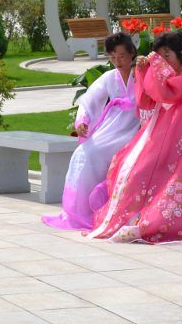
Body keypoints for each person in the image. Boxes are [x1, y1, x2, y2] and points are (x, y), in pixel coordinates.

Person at [86, 31, 182, 243]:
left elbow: (166, 94)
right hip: (169, 135)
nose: (163, 63)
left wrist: (152, 67)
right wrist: (143, 72)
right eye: (160, 57)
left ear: (181, 54)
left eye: (167, 56)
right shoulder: (166, 78)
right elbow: (146, 101)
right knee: (133, 166)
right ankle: (134, 214)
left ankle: (162, 220)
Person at [42, 32, 140, 231]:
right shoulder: (109, 78)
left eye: (121, 56)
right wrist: (83, 120)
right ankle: (82, 210)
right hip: (112, 127)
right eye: (112, 57)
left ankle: (103, 206)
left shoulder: (142, 75)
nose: (117, 61)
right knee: (84, 153)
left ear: (132, 53)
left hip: (136, 127)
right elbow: (89, 100)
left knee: (103, 154)